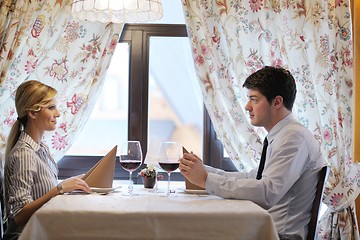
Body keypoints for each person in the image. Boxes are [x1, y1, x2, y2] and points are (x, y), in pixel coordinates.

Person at [179, 66, 325, 240]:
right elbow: (254, 177)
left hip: (278, 235)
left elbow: (267, 192)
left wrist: (205, 179)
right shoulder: (283, 135)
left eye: (254, 99)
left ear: (277, 102)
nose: (247, 107)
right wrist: (204, 171)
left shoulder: (293, 137)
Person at [2, 80, 91, 239]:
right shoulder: (24, 154)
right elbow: (20, 215)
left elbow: (40, 191)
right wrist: (60, 189)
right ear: (33, 113)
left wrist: (70, 183)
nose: (57, 113)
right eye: (51, 107)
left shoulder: (41, 148)